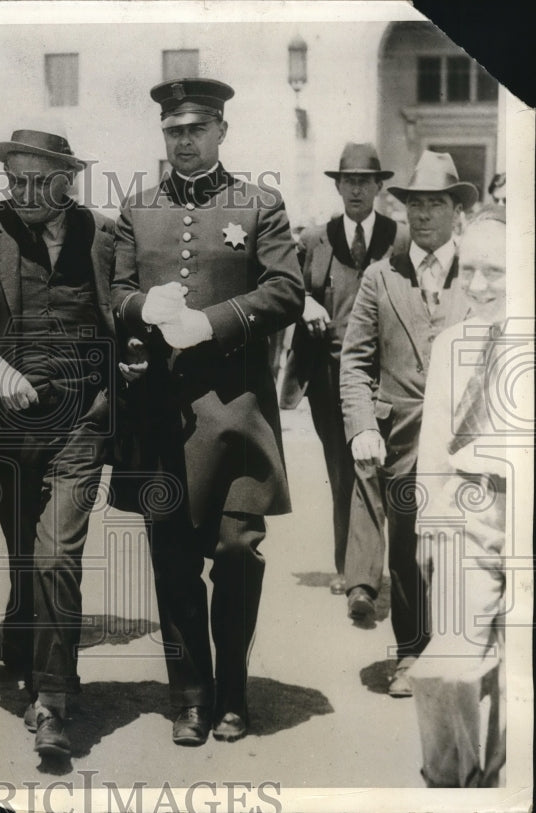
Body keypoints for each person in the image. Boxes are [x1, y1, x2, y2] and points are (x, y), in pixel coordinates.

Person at [111, 78, 304, 745]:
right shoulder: (137, 209)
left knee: (237, 552)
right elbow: (116, 291)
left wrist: (215, 323)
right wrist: (141, 308)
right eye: (174, 131)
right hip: (163, 415)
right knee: (172, 559)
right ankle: (191, 698)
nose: (185, 141)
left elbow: (286, 290)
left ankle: (233, 692)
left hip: (236, 413)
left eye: (197, 129)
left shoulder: (259, 204)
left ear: (222, 130)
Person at [0, 125, 118, 758]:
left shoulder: (102, 234)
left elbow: (121, 312)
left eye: (37, 181)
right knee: (22, 553)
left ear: (68, 181)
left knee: (55, 556)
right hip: (5, 422)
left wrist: (126, 367)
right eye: (14, 180)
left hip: (80, 420)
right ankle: (24, 631)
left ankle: (53, 702)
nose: (23, 192)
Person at [339, 150, 477, 697]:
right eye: (415, 204)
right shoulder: (381, 276)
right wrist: (362, 426)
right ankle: (411, 653)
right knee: (405, 550)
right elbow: (355, 361)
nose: (423, 215)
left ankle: (462, 653)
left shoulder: (480, 275)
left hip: (466, 439)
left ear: (456, 211)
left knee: (465, 547)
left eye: (436, 203)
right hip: (399, 440)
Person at [407, 204, 514, 787]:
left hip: (524, 514)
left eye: (494, 271)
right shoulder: (452, 344)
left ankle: (501, 780)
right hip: (467, 514)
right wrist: (429, 524)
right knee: (448, 665)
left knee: (518, 674)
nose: (476, 285)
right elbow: (434, 445)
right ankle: (451, 784)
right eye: (468, 269)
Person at [282, 143, 408, 596]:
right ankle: (349, 568)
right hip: (330, 376)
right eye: (348, 181)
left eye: (364, 181)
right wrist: (305, 302)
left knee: (387, 470)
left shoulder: (399, 238)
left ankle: (384, 568)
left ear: (378, 187)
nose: (356, 189)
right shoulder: (316, 238)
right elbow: (286, 288)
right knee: (343, 470)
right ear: (337, 186)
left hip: (388, 376)